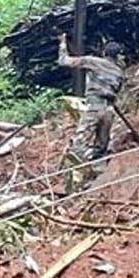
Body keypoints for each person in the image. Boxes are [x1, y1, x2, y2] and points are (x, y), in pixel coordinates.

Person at [55, 35, 124, 191]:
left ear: (104, 53)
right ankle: (98, 179)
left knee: (80, 141)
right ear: (117, 56)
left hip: (94, 107)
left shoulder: (94, 61)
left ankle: (72, 180)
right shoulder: (119, 72)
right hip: (109, 111)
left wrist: (62, 44)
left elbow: (64, 61)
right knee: (101, 146)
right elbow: (118, 89)